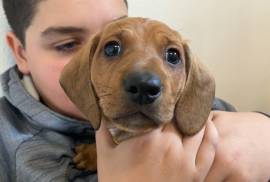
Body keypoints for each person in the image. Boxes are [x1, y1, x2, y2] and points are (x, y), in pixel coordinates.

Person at [0, 0, 269, 181]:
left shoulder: (194, 104)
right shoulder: (8, 142)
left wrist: (262, 127)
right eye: (113, 48)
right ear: (20, 53)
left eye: (172, 56)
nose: (145, 79)